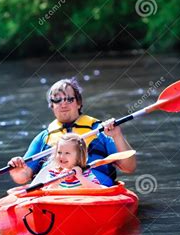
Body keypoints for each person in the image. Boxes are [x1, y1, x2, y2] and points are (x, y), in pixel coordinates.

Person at [8, 77, 136, 186]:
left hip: (95, 189)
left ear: (79, 103)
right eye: (57, 100)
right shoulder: (43, 138)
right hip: (55, 191)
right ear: (52, 105)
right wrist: (17, 170)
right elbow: (23, 177)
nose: (63, 104)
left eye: (69, 99)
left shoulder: (101, 131)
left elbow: (129, 167)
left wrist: (117, 135)